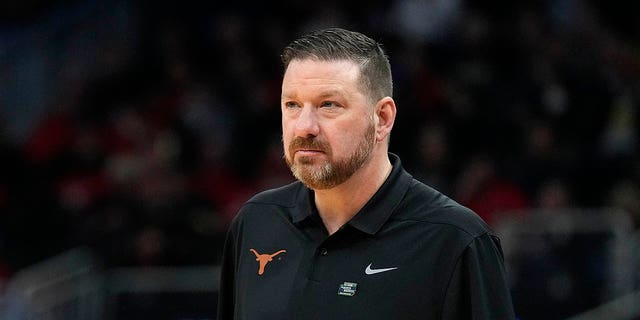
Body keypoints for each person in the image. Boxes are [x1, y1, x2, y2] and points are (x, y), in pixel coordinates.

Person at [217, 27, 516, 320]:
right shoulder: (256, 221)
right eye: (292, 104)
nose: (304, 126)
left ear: (383, 118)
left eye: (328, 105)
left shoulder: (455, 239)